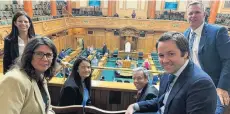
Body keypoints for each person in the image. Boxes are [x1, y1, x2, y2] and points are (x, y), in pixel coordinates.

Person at [126, 32, 217, 114]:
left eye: (171, 54)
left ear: (185, 54)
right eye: (161, 55)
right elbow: (161, 101)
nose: (165, 60)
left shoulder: (201, 84)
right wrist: (135, 106)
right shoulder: (167, 75)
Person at [184, 1, 230, 113]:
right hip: (193, 85)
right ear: (186, 16)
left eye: (197, 12)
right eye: (190, 13)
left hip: (214, 86)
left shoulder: (218, 32)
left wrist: (222, 87)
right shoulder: (185, 34)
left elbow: (228, 59)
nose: (193, 16)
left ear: (204, 14)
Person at [0, 37, 57, 114]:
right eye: (39, 54)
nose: (45, 59)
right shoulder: (14, 80)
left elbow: (45, 107)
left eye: (49, 55)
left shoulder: (40, 75)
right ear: (29, 55)